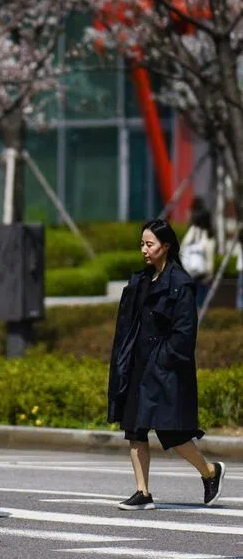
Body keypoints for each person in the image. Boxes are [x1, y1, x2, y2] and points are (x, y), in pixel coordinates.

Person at [107, 219, 224, 511]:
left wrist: (164, 358)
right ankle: (142, 492)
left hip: (165, 369)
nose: (144, 250)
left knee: (172, 433)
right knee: (134, 428)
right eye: (142, 244)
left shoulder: (180, 284)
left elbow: (185, 333)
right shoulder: (141, 281)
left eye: (150, 244)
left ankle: (210, 472)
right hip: (138, 365)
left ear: (166, 246)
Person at [180, 198, 214, 308]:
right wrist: (210, 274)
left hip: (189, 273)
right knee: (201, 304)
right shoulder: (209, 235)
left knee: (190, 304)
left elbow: (182, 248)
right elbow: (209, 256)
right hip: (203, 275)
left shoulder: (192, 231)